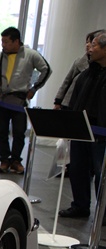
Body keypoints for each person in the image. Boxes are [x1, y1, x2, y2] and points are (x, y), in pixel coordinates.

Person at [0, 26, 51, 174]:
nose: (3, 45)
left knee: (19, 132)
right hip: (1, 100)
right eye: (2, 41)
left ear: (16, 41)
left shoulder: (31, 55)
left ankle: (16, 161)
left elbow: (46, 70)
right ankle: (4, 160)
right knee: (1, 132)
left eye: (6, 42)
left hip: (19, 101)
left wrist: (34, 89)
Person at [58, 31, 106, 221]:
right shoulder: (88, 72)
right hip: (82, 128)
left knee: (101, 173)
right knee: (78, 168)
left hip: (102, 132)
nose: (89, 48)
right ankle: (80, 205)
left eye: (94, 45)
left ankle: (103, 212)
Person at [54, 30, 103, 111]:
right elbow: (67, 81)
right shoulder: (79, 62)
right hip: (68, 102)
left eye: (91, 43)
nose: (88, 45)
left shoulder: (99, 68)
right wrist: (58, 101)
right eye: (86, 42)